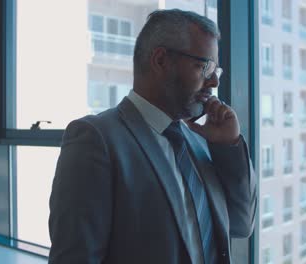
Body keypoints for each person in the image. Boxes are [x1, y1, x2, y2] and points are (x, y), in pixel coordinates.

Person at [48, 9, 257, 264]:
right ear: (160, 60)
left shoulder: (201, 138)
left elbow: (241, 224)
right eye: (205, 66)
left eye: (217, 71)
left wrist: (228, 146)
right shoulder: (95, 139)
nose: (213, 81)